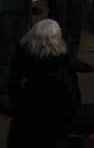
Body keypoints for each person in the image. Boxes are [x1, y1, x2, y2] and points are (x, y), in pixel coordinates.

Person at [6, 20, 78, 148]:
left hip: (25, 127)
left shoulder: (23, 59)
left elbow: (13, 86)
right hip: (54, 131)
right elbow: (73, 103)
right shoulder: (65, 68)